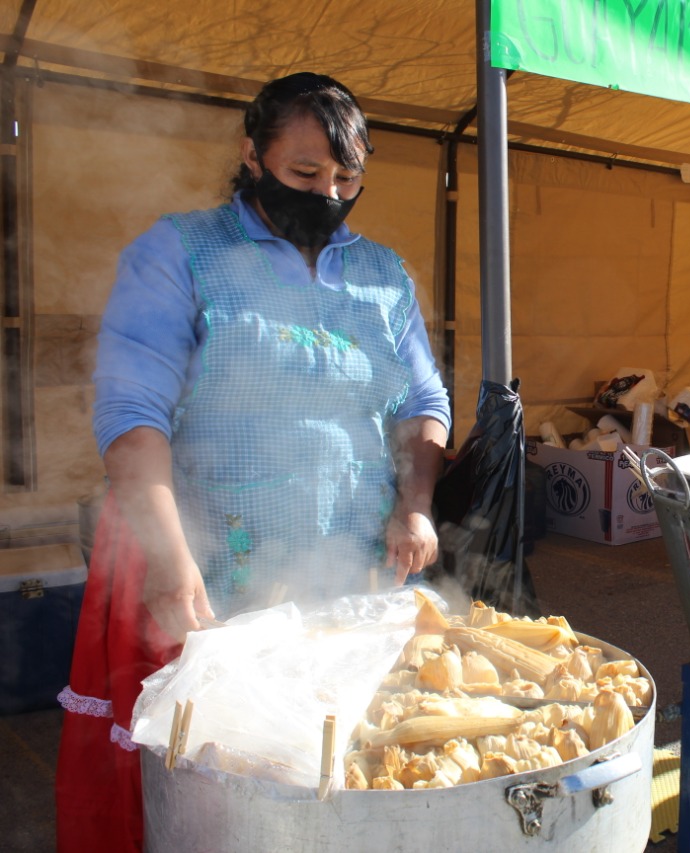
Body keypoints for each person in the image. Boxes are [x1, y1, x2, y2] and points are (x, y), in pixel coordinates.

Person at [54, 73, 451, 852]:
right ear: (251, 154)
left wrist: (415, 504)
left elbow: (423, 402)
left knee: (333, 768)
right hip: (206, 576)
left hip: (346, 572)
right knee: (219, 787)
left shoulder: (383, 277)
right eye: (306, 174)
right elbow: (132, 414)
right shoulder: (180, 253)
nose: (329, 193)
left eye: (348, 178)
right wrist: (170, 558)